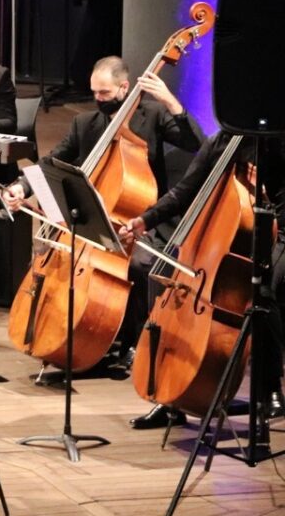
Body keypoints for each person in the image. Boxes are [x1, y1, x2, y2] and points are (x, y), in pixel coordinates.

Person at [1, 55, 205, 372]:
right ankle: (84, 334)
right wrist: (21, 186)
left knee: (137, 265)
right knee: (51, 255)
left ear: (125, 87)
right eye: (94, 92)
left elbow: (196, 144)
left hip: (143, 218)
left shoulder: (152, 115)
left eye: (105, 94)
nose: (98, 99)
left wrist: (170, 101)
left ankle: (136, 341)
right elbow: (51, 162)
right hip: (93, 218)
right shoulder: (86, 124)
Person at [119, 133, 285, 429]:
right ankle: (170, 399)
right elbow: (185, 191)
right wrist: (146, 220)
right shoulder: (221, 141)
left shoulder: (275, 139)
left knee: (264, 292)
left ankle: (270, 391)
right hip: (234, 234)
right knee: (168, 281)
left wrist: (266, 194)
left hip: (278, 226)